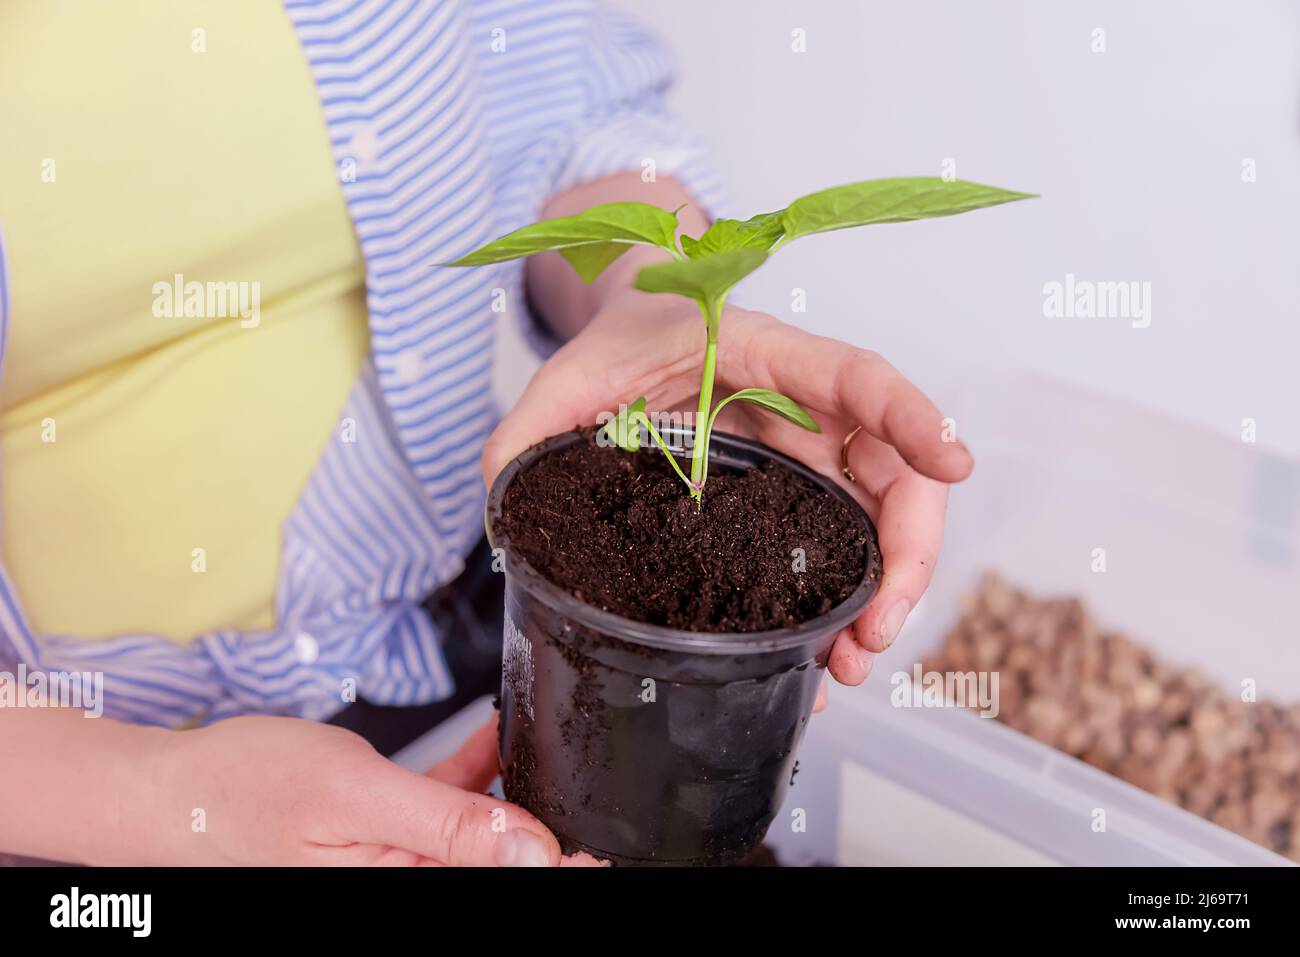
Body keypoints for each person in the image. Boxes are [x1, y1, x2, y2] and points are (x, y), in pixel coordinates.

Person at [0, 0, 972, 866]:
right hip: (69, 792)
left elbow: (556, 123)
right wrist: (165, 802)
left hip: (457, 638)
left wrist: (657, 306)